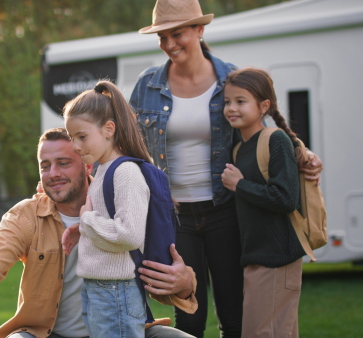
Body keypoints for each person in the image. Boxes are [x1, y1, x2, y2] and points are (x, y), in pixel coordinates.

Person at [129, 1, 323, 337]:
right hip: (174, 216)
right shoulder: (147, 85)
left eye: (177, 34)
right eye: (162, 37)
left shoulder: (228, 80)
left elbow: (262, 128)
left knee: (234, 316)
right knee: (188, 316)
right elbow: (129, 143)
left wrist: (304, 154)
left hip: (226, 211)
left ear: (199, 31)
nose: (169, 44)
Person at [0, 127, 198, 338]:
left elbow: (167, 280)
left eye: (63, 163)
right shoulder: (26, 215)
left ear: (88, 165)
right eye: (45, 166)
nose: (53, 173)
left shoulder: (122, 203)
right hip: (46, 334)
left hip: (125, 328)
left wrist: (185, 283)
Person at [62, 80, 161, 337]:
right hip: (101, 288)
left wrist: (87, 222)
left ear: (108, 129)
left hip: (115, 292)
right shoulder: (103, 170)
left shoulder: (125, 172)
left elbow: (129, 234)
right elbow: (105, 220)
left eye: (82, 137)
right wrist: (82, 229)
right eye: (72, 138)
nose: (75, 146)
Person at [221, 67, 306, 337]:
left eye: (240, 101)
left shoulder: (275, 140)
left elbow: (285, 198)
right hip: (257, 258)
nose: (231, 108)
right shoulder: (239, 148)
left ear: (264, 106)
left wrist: (240, 185)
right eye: (227, 102)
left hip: (276, 260)